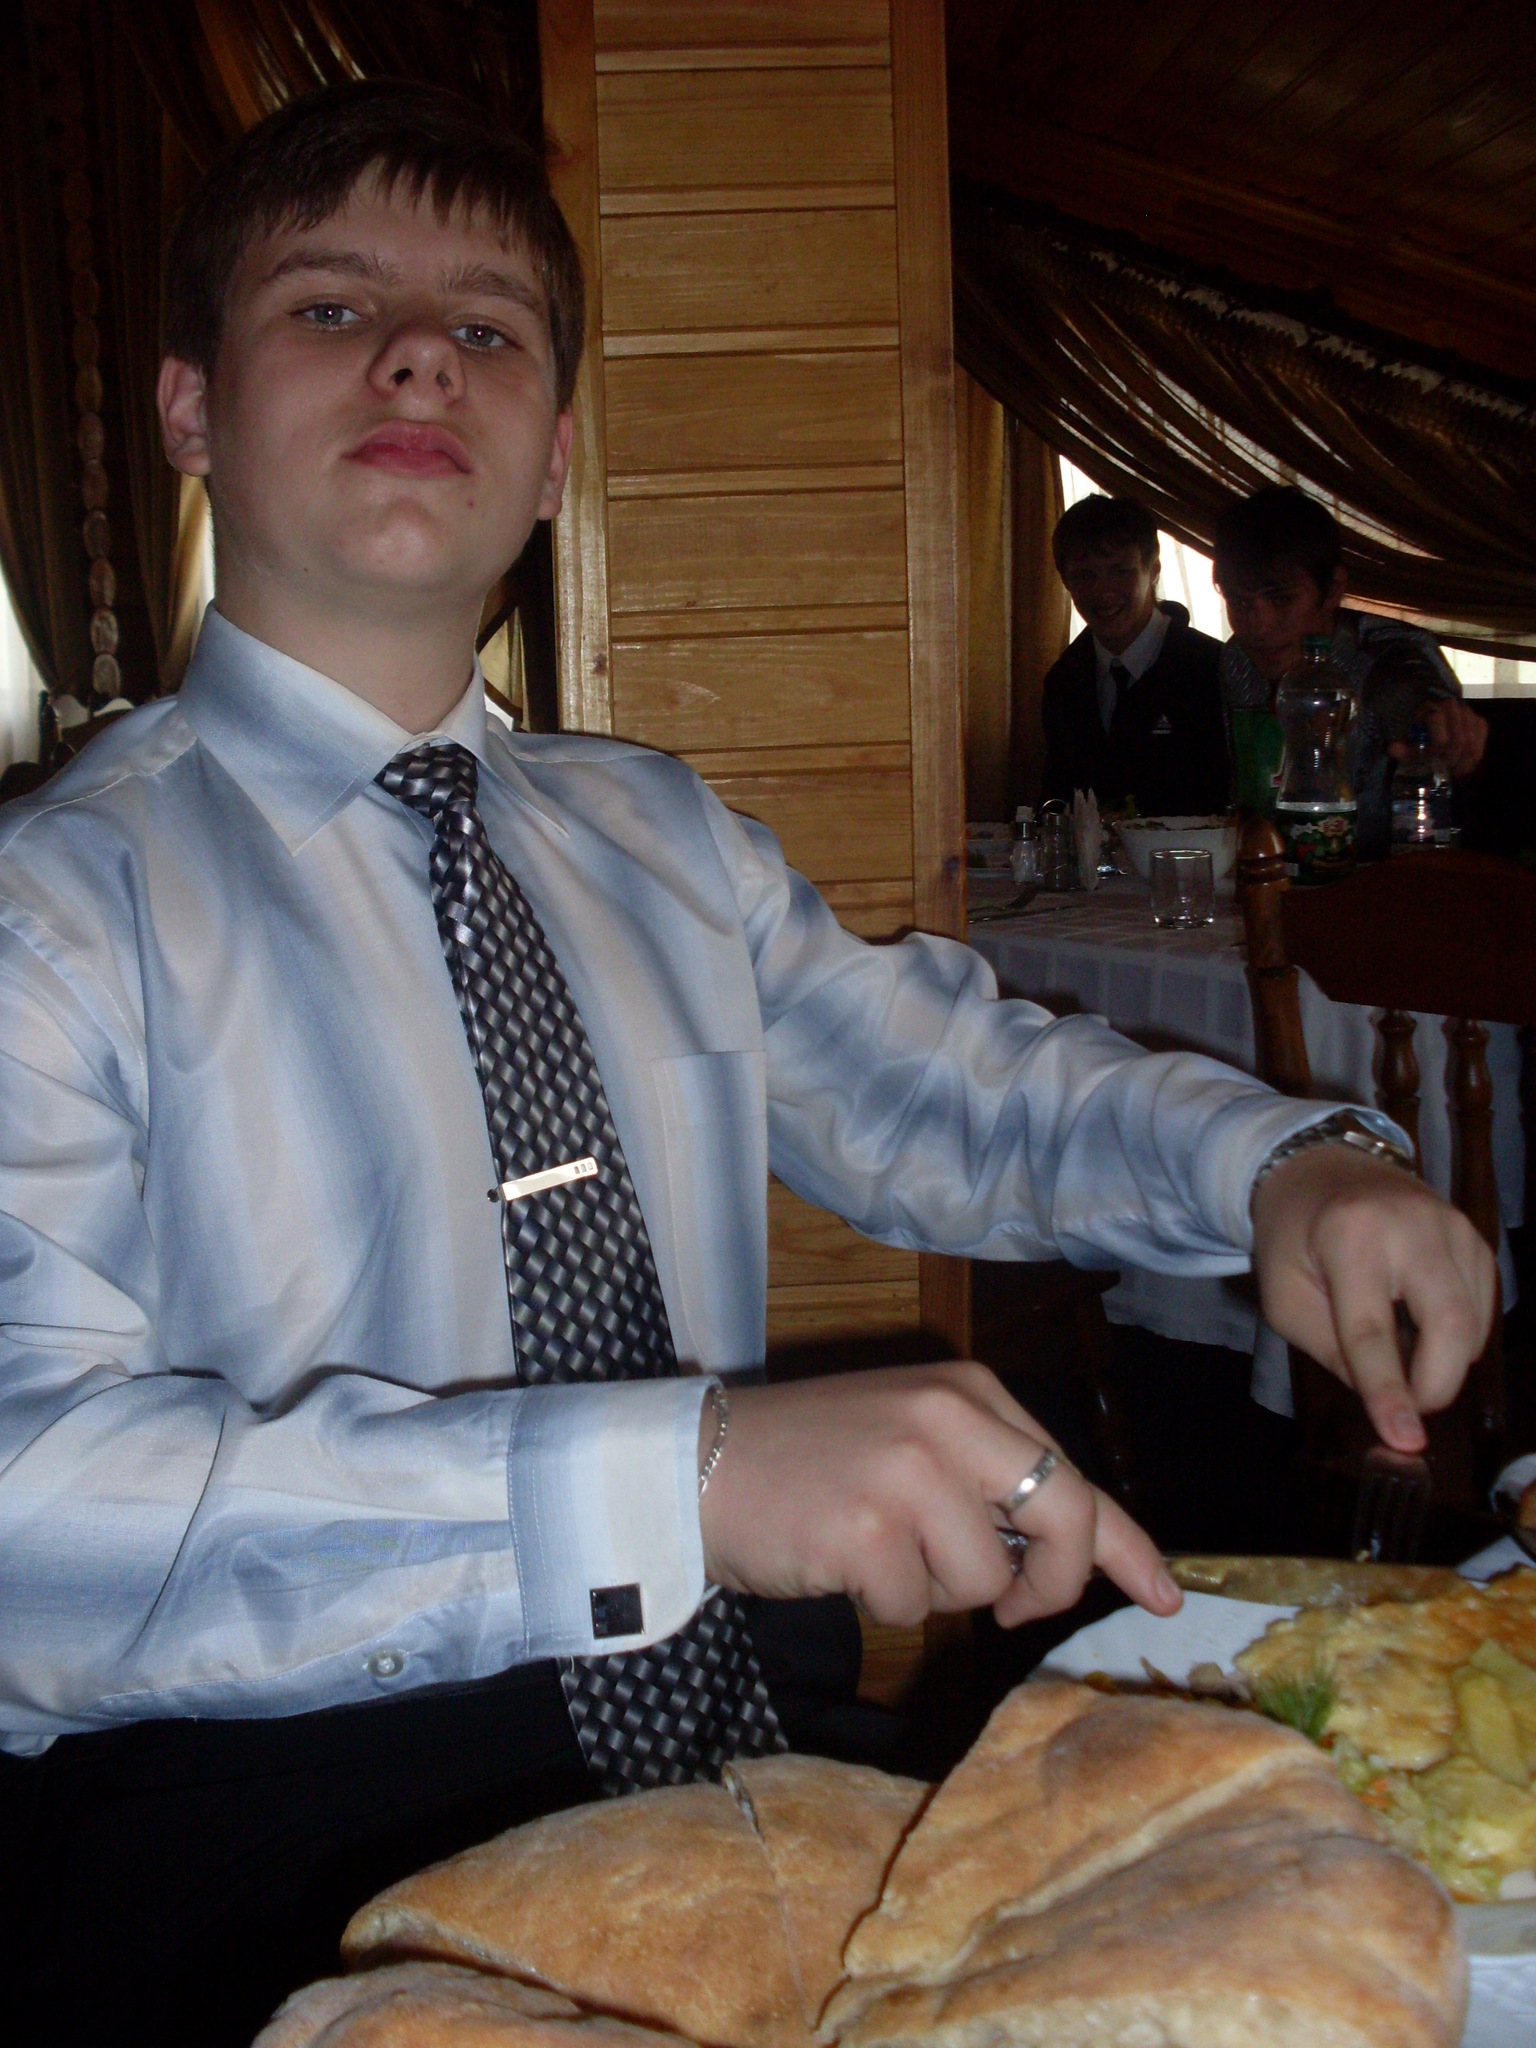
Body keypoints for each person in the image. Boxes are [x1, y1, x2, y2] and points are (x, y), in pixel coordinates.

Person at [0, 84, 1496, 2047]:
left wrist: (1281, 1166)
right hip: (263, 1833)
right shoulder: (49, 910)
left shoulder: (654, 833)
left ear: (554, 456)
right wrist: (675, 1477)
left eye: (490, 329)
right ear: (190, 407)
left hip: (742, 1755)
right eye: (331, 306)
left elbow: (941, 1084)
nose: (422, 353)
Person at [1213, 485, 1488, 856]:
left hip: (1385, 881)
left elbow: (1405, 685)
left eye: (1281, 600)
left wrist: (1431, 718)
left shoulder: (1384, 648)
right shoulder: (1237, 660)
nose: (1258, 626)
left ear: (1332, 590)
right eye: (1239, 603)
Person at [1040, 494, 1229, 817]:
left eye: (1120, 571)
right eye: (1085, 576)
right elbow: (1057, 799)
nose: (1103, 591)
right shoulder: (1064, 681)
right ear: (1065, 582)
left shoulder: (1212, 668)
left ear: (1153, 570)